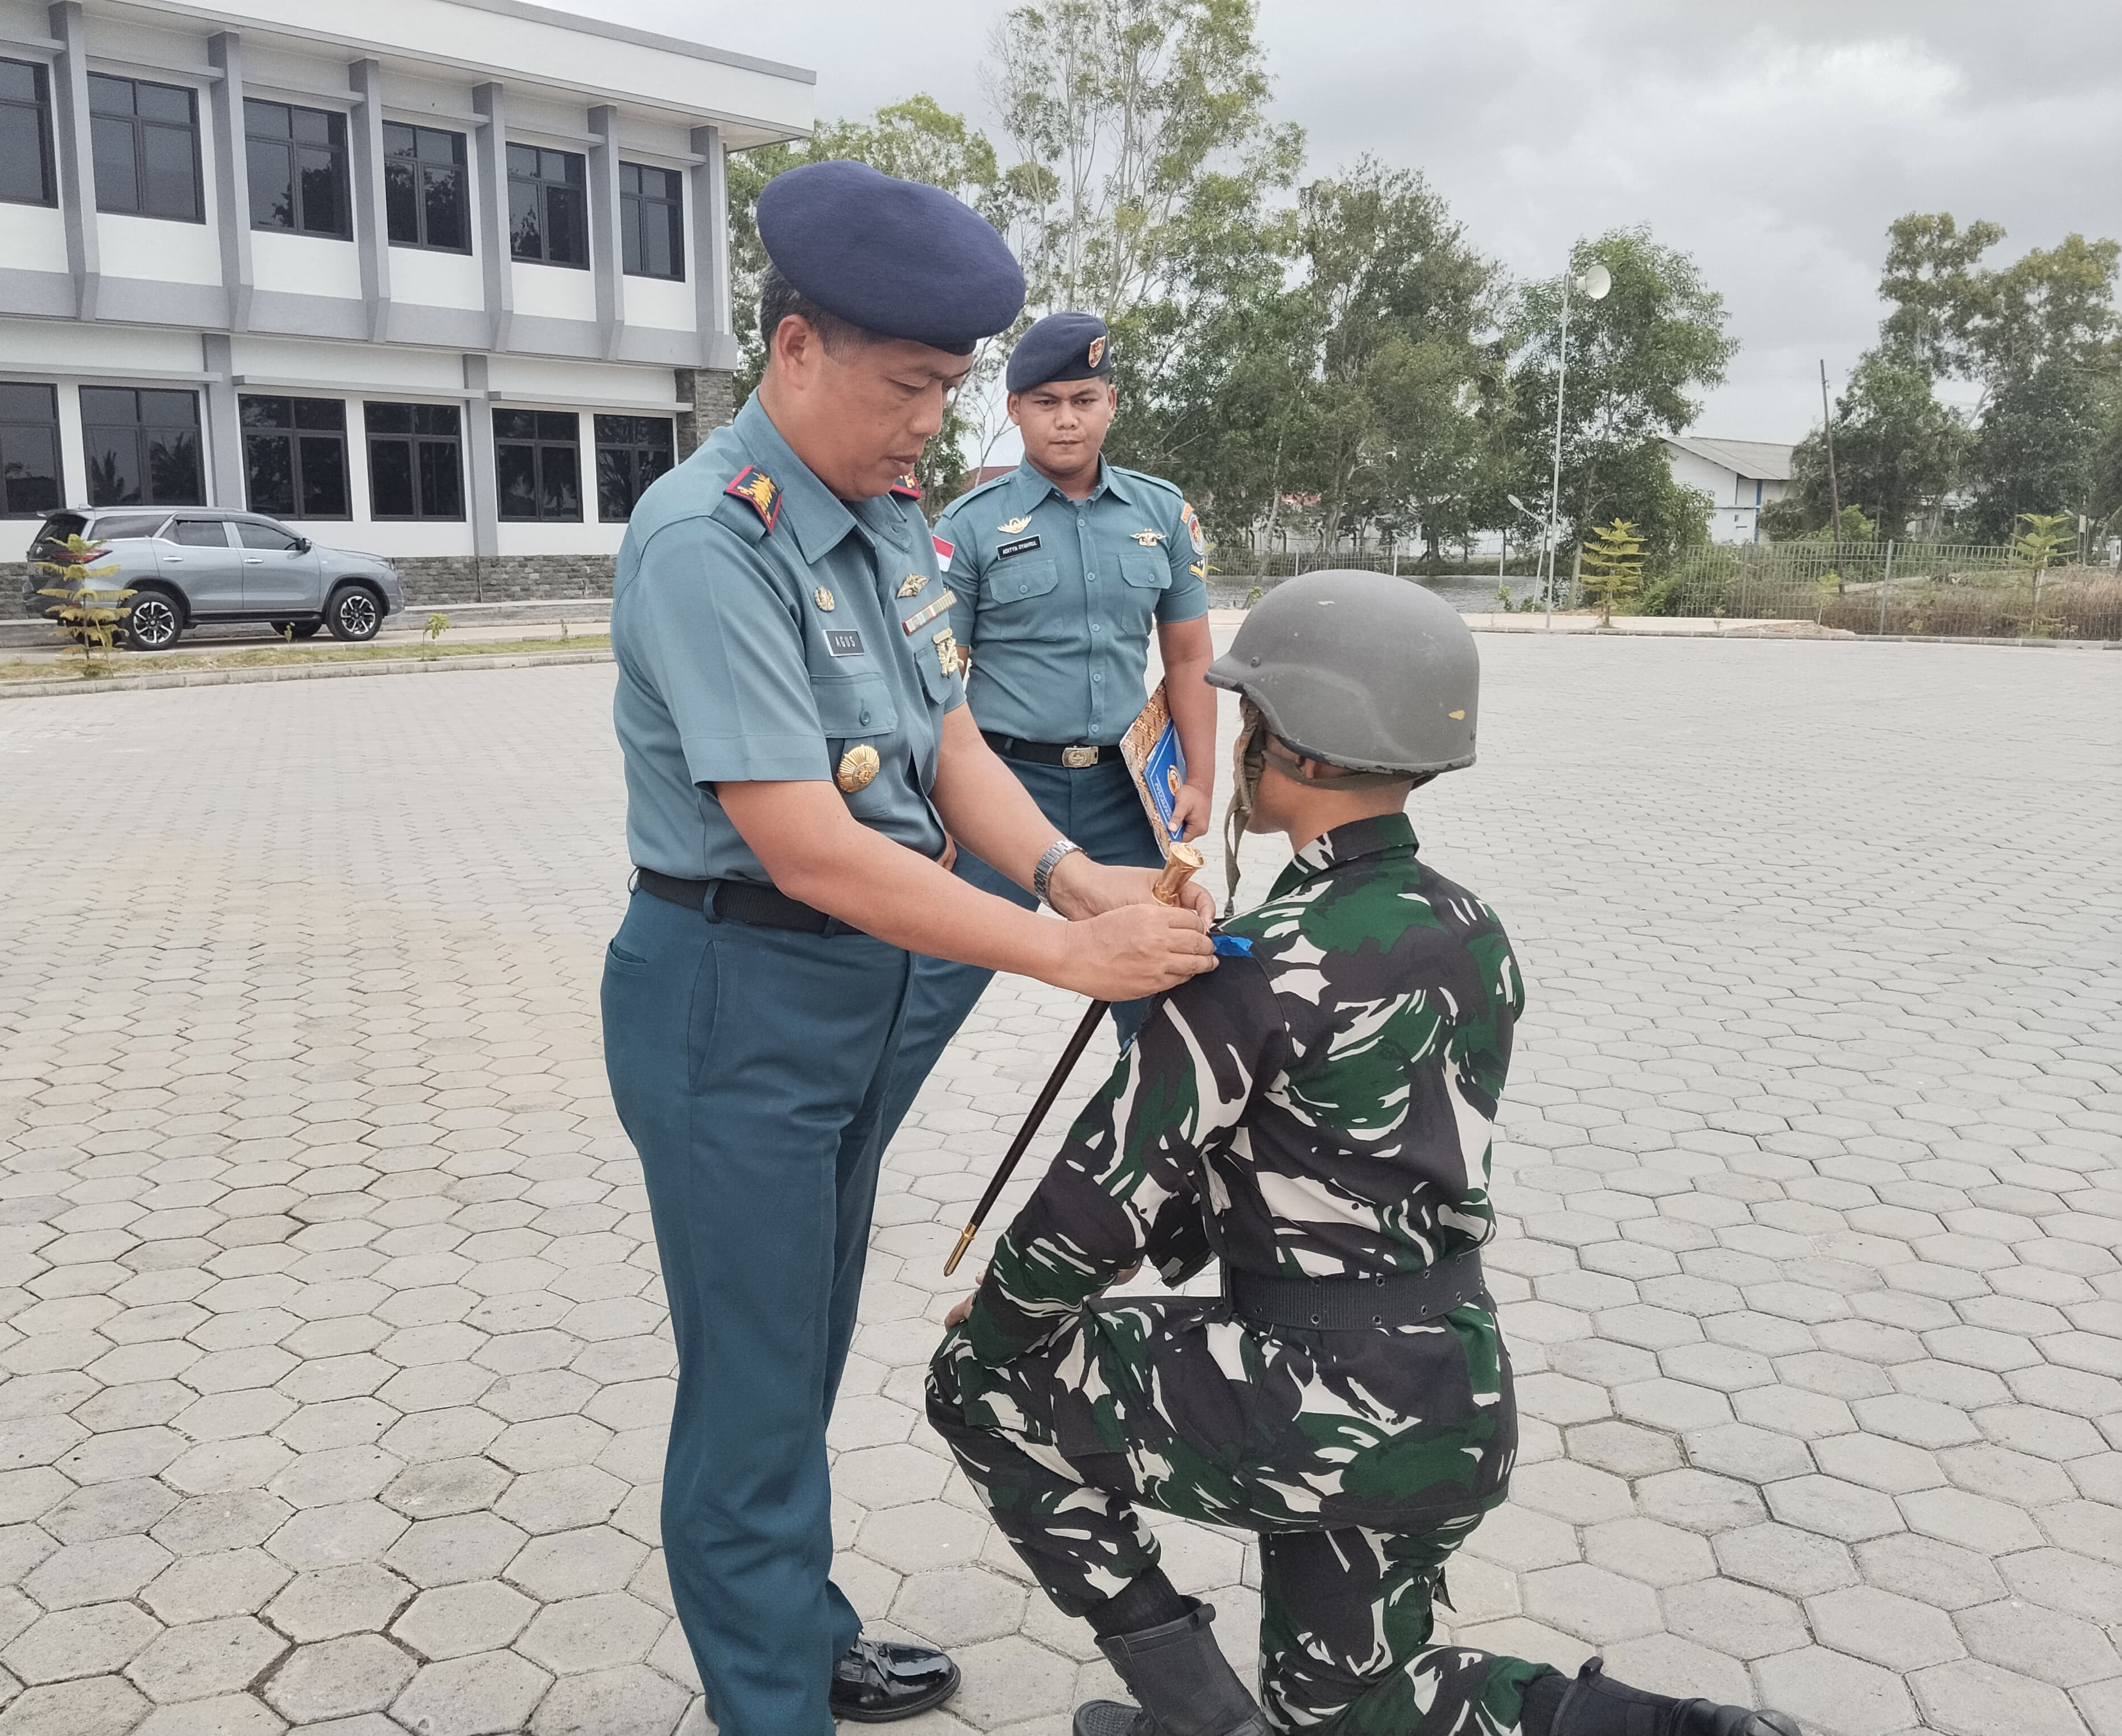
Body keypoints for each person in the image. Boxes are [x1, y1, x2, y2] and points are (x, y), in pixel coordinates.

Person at [926, 572, 1802, 1736]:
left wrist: (1001, 1320)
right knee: (1348, 1708)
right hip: (1453, 1393)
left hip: (1305, 1394)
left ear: (1287, 745)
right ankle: (1673, 1730)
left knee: (972, 1386)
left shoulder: (1252, 964)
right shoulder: (1472, 929)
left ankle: (1198, 1720)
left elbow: (1094, 1207)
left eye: (1249, 716)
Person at [601, 159, 1218, 1736]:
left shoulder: (879, 519)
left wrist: (1077, 880)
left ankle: (796, 1636)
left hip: (845, 996)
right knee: (750, 1394)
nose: (931, 424)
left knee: (798, 1349)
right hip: (735, 1000)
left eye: (948, 388)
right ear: (796, 348)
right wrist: (1063, 958)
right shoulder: (712, 541)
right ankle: (772, 1706)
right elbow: (808, 845)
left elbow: (946, 743)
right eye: (909, 386)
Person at [878, 311, 1217, 1131]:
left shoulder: (1162, 514)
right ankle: (849, 1160)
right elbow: (934, 680)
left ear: (1112, 404)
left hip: (1123, 794)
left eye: (1084, 399)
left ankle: (1166, 1170)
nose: (1067, 419)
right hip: (1002, 790)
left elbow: (1187, 658)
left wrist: (1201, 778)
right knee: (923, 992)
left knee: (1169, 996)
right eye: (1046, 402)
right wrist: (927, 810)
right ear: (1015, 409)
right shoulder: (968, 527)